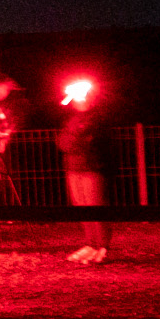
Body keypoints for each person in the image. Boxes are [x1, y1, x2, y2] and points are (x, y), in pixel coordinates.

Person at [56, 75, 112, 262]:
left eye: (83, 96)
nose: (79, 100)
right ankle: (90, 244)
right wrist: (75, 137)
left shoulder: (98, 118)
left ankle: (102, 247)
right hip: (73, 168)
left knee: (95, 207)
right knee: (81, 208)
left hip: (92, 168)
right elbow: (62, 143)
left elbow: (89, 143)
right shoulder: (72, 119)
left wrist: (74, 139)